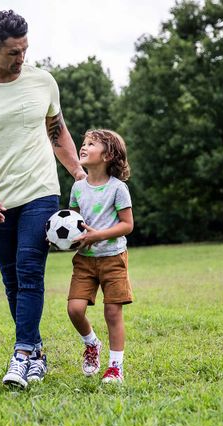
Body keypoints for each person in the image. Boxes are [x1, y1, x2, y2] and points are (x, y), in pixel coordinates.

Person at [0, 10, 86, 388]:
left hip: (40, 190)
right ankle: (37, 353)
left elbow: (57, 132)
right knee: (11, 280)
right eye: (13, 52)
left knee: (29, 270)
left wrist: (77, 173)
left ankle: (22, 353)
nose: (21, 58)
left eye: (25, 49)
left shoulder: (43, 82)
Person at [66, 129, 134, 384]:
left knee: (112, 313)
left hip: (113, 258)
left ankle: (115, 368)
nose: (83, 147)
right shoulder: (77, 188)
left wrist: (99, 235)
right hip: (84, 261)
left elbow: (127, 225)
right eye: (83, 143)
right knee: (74, 309)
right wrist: (64, 240)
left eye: (91, 144)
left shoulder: (118, 189)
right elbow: (72, 222)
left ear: (108, 155)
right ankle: (91, 343)